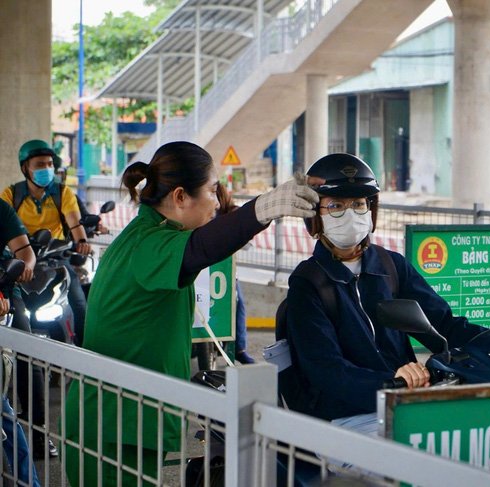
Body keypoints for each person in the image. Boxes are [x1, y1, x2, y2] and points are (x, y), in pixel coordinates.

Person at [62, 141, 320, 487]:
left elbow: (202, 243)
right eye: (213, 191)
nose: (216, 201)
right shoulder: (149, 244)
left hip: (125, 418)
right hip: (115, 423)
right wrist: (262, 210)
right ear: (180, 197)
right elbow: (200, 248)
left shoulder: (149, 234)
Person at [283, 153, 490, 432]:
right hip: (347, 418)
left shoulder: (391, 267)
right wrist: (390, 379)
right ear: (314, 217)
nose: (351, 214)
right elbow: (327, 370)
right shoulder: (308, 282)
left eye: (359, 204)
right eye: (336, 206)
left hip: (406, 402)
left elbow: (444, 325)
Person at [1, 139, 91, 346]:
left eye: (50, 164)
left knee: (79, 304)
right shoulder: (11, 195)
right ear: (25, 168)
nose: (47, 169)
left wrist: (82, 241)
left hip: (55, 257)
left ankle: (86, 357)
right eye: (40, 164)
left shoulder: (62, 193)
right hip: (21, 261)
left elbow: (75, 223)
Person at [0, 199, 56, 459]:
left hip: (5, 291)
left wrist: (26, 266)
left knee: (27, 353)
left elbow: (24, 250)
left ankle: (39, 433)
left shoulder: (2, 209)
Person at [214, 184, 255, 364]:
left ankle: (240, 348)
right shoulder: (193, 214)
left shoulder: (229, 215)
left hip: (225, 272)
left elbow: (244, 236)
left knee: (237, 302)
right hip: (199, 272)